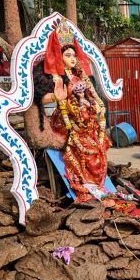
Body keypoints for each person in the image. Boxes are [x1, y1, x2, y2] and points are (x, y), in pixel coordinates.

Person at [33, 17, 111, 199]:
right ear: (59, 56)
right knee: (82, 148)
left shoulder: (80, 75)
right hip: (68, 121)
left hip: (87, 120)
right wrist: (57, 96)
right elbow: (41, 98)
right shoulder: (54, 77)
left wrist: (97, 108)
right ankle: (85, 183)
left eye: (74, 55)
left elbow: (94, 98)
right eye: (68, 55)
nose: (73, 59)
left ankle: (96, 182)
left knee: (99, 146)